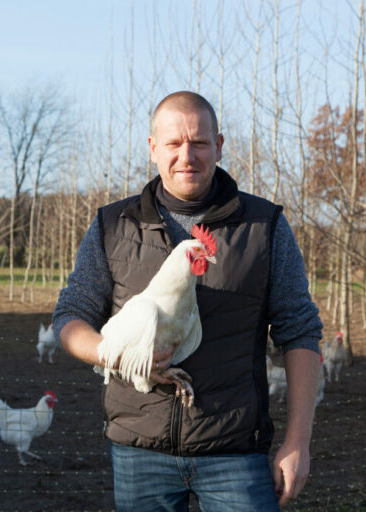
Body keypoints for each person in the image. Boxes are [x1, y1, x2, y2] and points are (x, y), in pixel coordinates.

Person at [53, 91, 322, 511]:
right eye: (174, 143)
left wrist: (298, 441)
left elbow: (301, 330)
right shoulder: (112, 225)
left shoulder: (264, 225)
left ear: (218, 145)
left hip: (234, 449)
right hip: (139, 448)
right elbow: (70, 317)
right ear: (153, 148)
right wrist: (116, 355)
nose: (186, 155)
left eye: (199, 142)